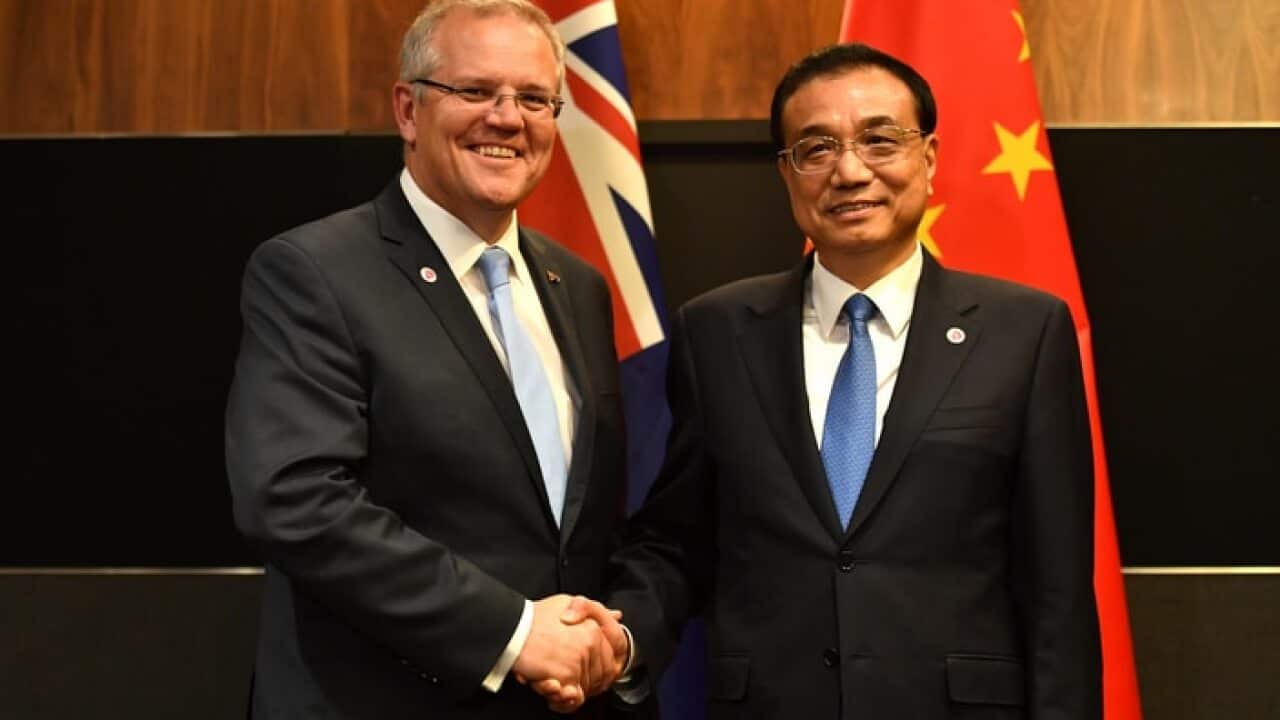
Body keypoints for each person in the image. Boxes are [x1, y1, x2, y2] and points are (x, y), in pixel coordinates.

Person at [603, 43, 1102, 718]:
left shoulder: (1024, 333)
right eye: (815, 148)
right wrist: (618, 636)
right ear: (786, 173)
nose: (848, 170)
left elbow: (1057, 589)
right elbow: (678, 540)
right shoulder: (715, 332)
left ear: (927, 156)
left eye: (879, 140)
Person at [225, 1, 640, 717]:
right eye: (476, 91)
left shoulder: (578, 285)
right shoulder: (314, 270)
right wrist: (512, 633)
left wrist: (596, 642)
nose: (508, 119)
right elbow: (294, 499)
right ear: (408, 110)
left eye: (535, 99)